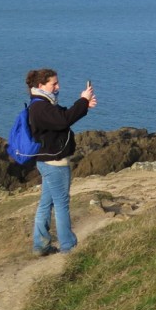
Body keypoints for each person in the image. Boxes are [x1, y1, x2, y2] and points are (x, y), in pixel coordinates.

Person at [26, 68, 96, 255]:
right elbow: (63, 121)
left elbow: (62, 116)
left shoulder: (42, 103)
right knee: (61, 203)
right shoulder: (40, 106)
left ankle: (40, 245)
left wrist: (84, 106)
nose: (58, 86)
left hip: (46, 161)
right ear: (41, 85)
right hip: (54, 162)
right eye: (54, 83)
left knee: (46, 203)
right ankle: (68, 246)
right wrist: (83, 100)